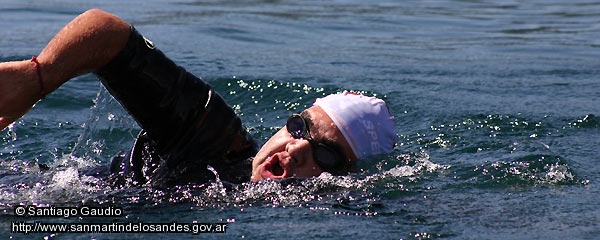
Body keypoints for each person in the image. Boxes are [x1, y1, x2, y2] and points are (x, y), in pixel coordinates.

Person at [0, 9, 397, 187]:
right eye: (299, 127)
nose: (295, 149)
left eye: (324, 154)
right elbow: (109, 35)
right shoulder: (217, 143)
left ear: (341, 180)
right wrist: (37, 78)